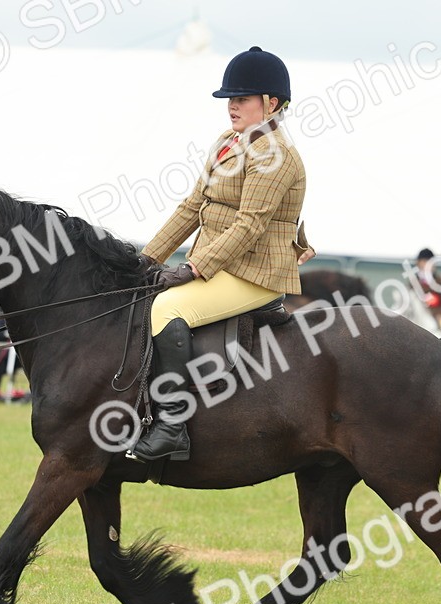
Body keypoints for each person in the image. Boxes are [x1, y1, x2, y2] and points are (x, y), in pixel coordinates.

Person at [129, 46, 315, 461]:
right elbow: (192, 208)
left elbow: (249, 225)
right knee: (144, 293)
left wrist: (195, 266)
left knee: (167, 310)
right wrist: (145, 261)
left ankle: (172, 427)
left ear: (272, 104)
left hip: (257, 274)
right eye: (230, 99)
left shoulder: (275, 156)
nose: (232, 106)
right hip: (227, 265)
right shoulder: (227, 143)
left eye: (242, 99)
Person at [412, 248, 441, 339]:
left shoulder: (438, 280)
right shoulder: (413, 281)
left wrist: (439, 314)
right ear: (418, 263)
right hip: (418, 315)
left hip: (436, 314)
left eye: (429, 262)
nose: (427, 264)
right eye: (424, 261)